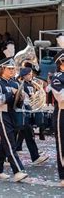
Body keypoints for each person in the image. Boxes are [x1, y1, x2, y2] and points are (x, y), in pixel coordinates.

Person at [0, 57, 28, 182]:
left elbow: (19, 103)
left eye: (13, 69)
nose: (12, 71)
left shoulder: (15, 83)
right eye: (9, 69)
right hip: (2, 114)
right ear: (2, 69)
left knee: (5, 142)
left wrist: (21, 97)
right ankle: (17, 171)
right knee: (10, 142)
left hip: (13, 114)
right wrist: (10, 93)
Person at [15, 67, 49, 165]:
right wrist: (32, 98)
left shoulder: (32, 84)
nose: (31, 76)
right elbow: (23, 99)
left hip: (27, 112)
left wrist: (37, 95)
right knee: (15, 135)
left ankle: (35, 157)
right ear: (24, 75)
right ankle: (8, 156)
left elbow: (32, 96)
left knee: (27, 134)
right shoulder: (21, 85)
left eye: (31, 74)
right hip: (21, 112)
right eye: (29, 74)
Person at [50, 49, 64, 187]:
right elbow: (61, 97)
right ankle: (63, 175)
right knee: (62, 145)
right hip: (62, 112)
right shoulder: (57, 77)